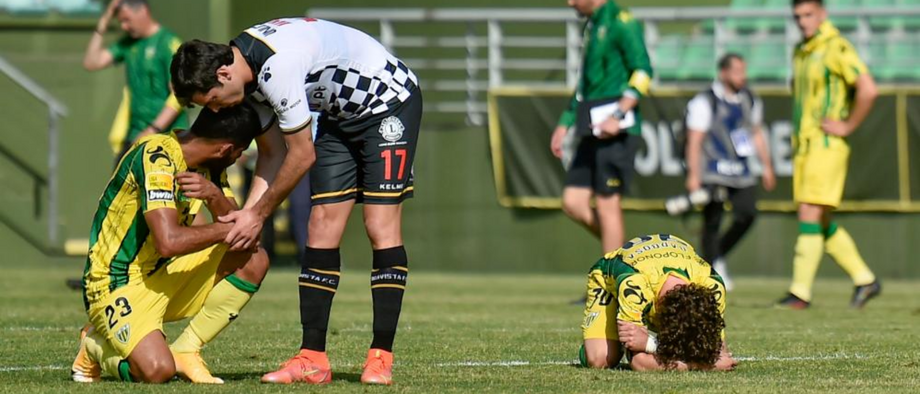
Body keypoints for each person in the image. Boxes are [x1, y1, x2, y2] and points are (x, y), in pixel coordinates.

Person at [170, 17, 423, 385]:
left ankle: (380, 358)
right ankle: (312, 359)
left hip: (389, 104)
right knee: (320, 225)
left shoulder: (276, 68)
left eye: (211, 101)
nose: (217, 110)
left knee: (378, 225)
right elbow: (272, 155)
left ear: (223, 74)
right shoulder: (245, 72)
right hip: (340, 117)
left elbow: (301, 156)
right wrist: (245, 217)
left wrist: (257, 215)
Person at [71, 104, 269, 384]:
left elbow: (243, 233)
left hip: (162, 275)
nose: (239, 158)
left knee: (252, 256)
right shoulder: (157, 157)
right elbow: (169, 242)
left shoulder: (208, 167)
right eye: (240, 151)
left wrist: (214, 196)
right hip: (114, 283)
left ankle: (187, 349)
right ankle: (93, 346)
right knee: (156, 371)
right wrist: (225, 229)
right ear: (226, 149)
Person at [776, 0, 881, 309]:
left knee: (809, 211)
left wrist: (848, 125)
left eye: (808, 14)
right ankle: (865, 279)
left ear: (822, 13)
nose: (802, 21)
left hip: (826, 146)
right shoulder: (801, 51)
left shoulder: (836, 47)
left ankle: (799, 294)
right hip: (804, 147)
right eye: (797, 16)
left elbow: (868, 89)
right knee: (819, 219)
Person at [550, 0, 653, 254]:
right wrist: (565, 122)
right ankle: (626, 257)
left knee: (608, 205)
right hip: (591, 126)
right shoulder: (593, 24)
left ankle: (612, 287)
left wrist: (618, 114)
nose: (570, 2)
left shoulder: (621, 21)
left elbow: (642, 71)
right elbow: (585, 85)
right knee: (573, 202)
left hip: (616, 130)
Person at [684, 53, 776, 290]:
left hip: (741, 169)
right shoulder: (705, 101)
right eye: (736, 72)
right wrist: (693, 175)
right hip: (712, 169)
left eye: (744, 71)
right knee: (712, 220)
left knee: (747, 214)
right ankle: (714, 268)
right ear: (723, 72)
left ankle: (715, 257)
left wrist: (766, 166)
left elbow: (756, 132)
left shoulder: (750, 99)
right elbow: (694, 140)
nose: (742, 77)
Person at [578, 234, 737, 371]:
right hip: (608, 277)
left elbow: (720, 353)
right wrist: (700, 364)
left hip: (664, 264)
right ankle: (612, 326)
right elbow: (639, 363)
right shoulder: (635, 286)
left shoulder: (712, 288)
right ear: (657, 315)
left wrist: (649, 343)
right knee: (600, 360)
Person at [82, 0, 188, 158]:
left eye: (126, 19)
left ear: (143, 11)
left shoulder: (168, 43)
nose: (124, 26)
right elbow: (91, 62)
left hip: (167, 137)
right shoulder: (128, 44)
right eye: (120, 22)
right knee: (119, 182)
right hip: (134, 136)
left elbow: (179, 95)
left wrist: (152, 129)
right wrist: (104, 22)